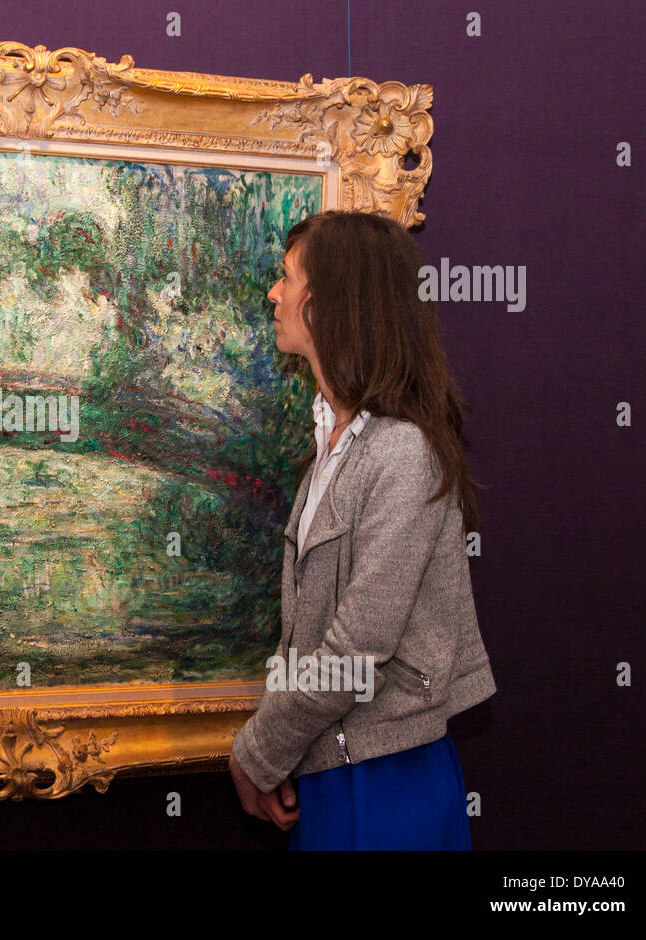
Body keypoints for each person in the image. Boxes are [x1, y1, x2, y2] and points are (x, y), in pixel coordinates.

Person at [228, 209, 496, 850]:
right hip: (333, 774)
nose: (274, 293)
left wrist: (255, 753)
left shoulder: (402, 452)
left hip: (387, 786)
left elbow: (354, 653)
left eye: (286, 278)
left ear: (327, 303)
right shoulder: (339, 443)